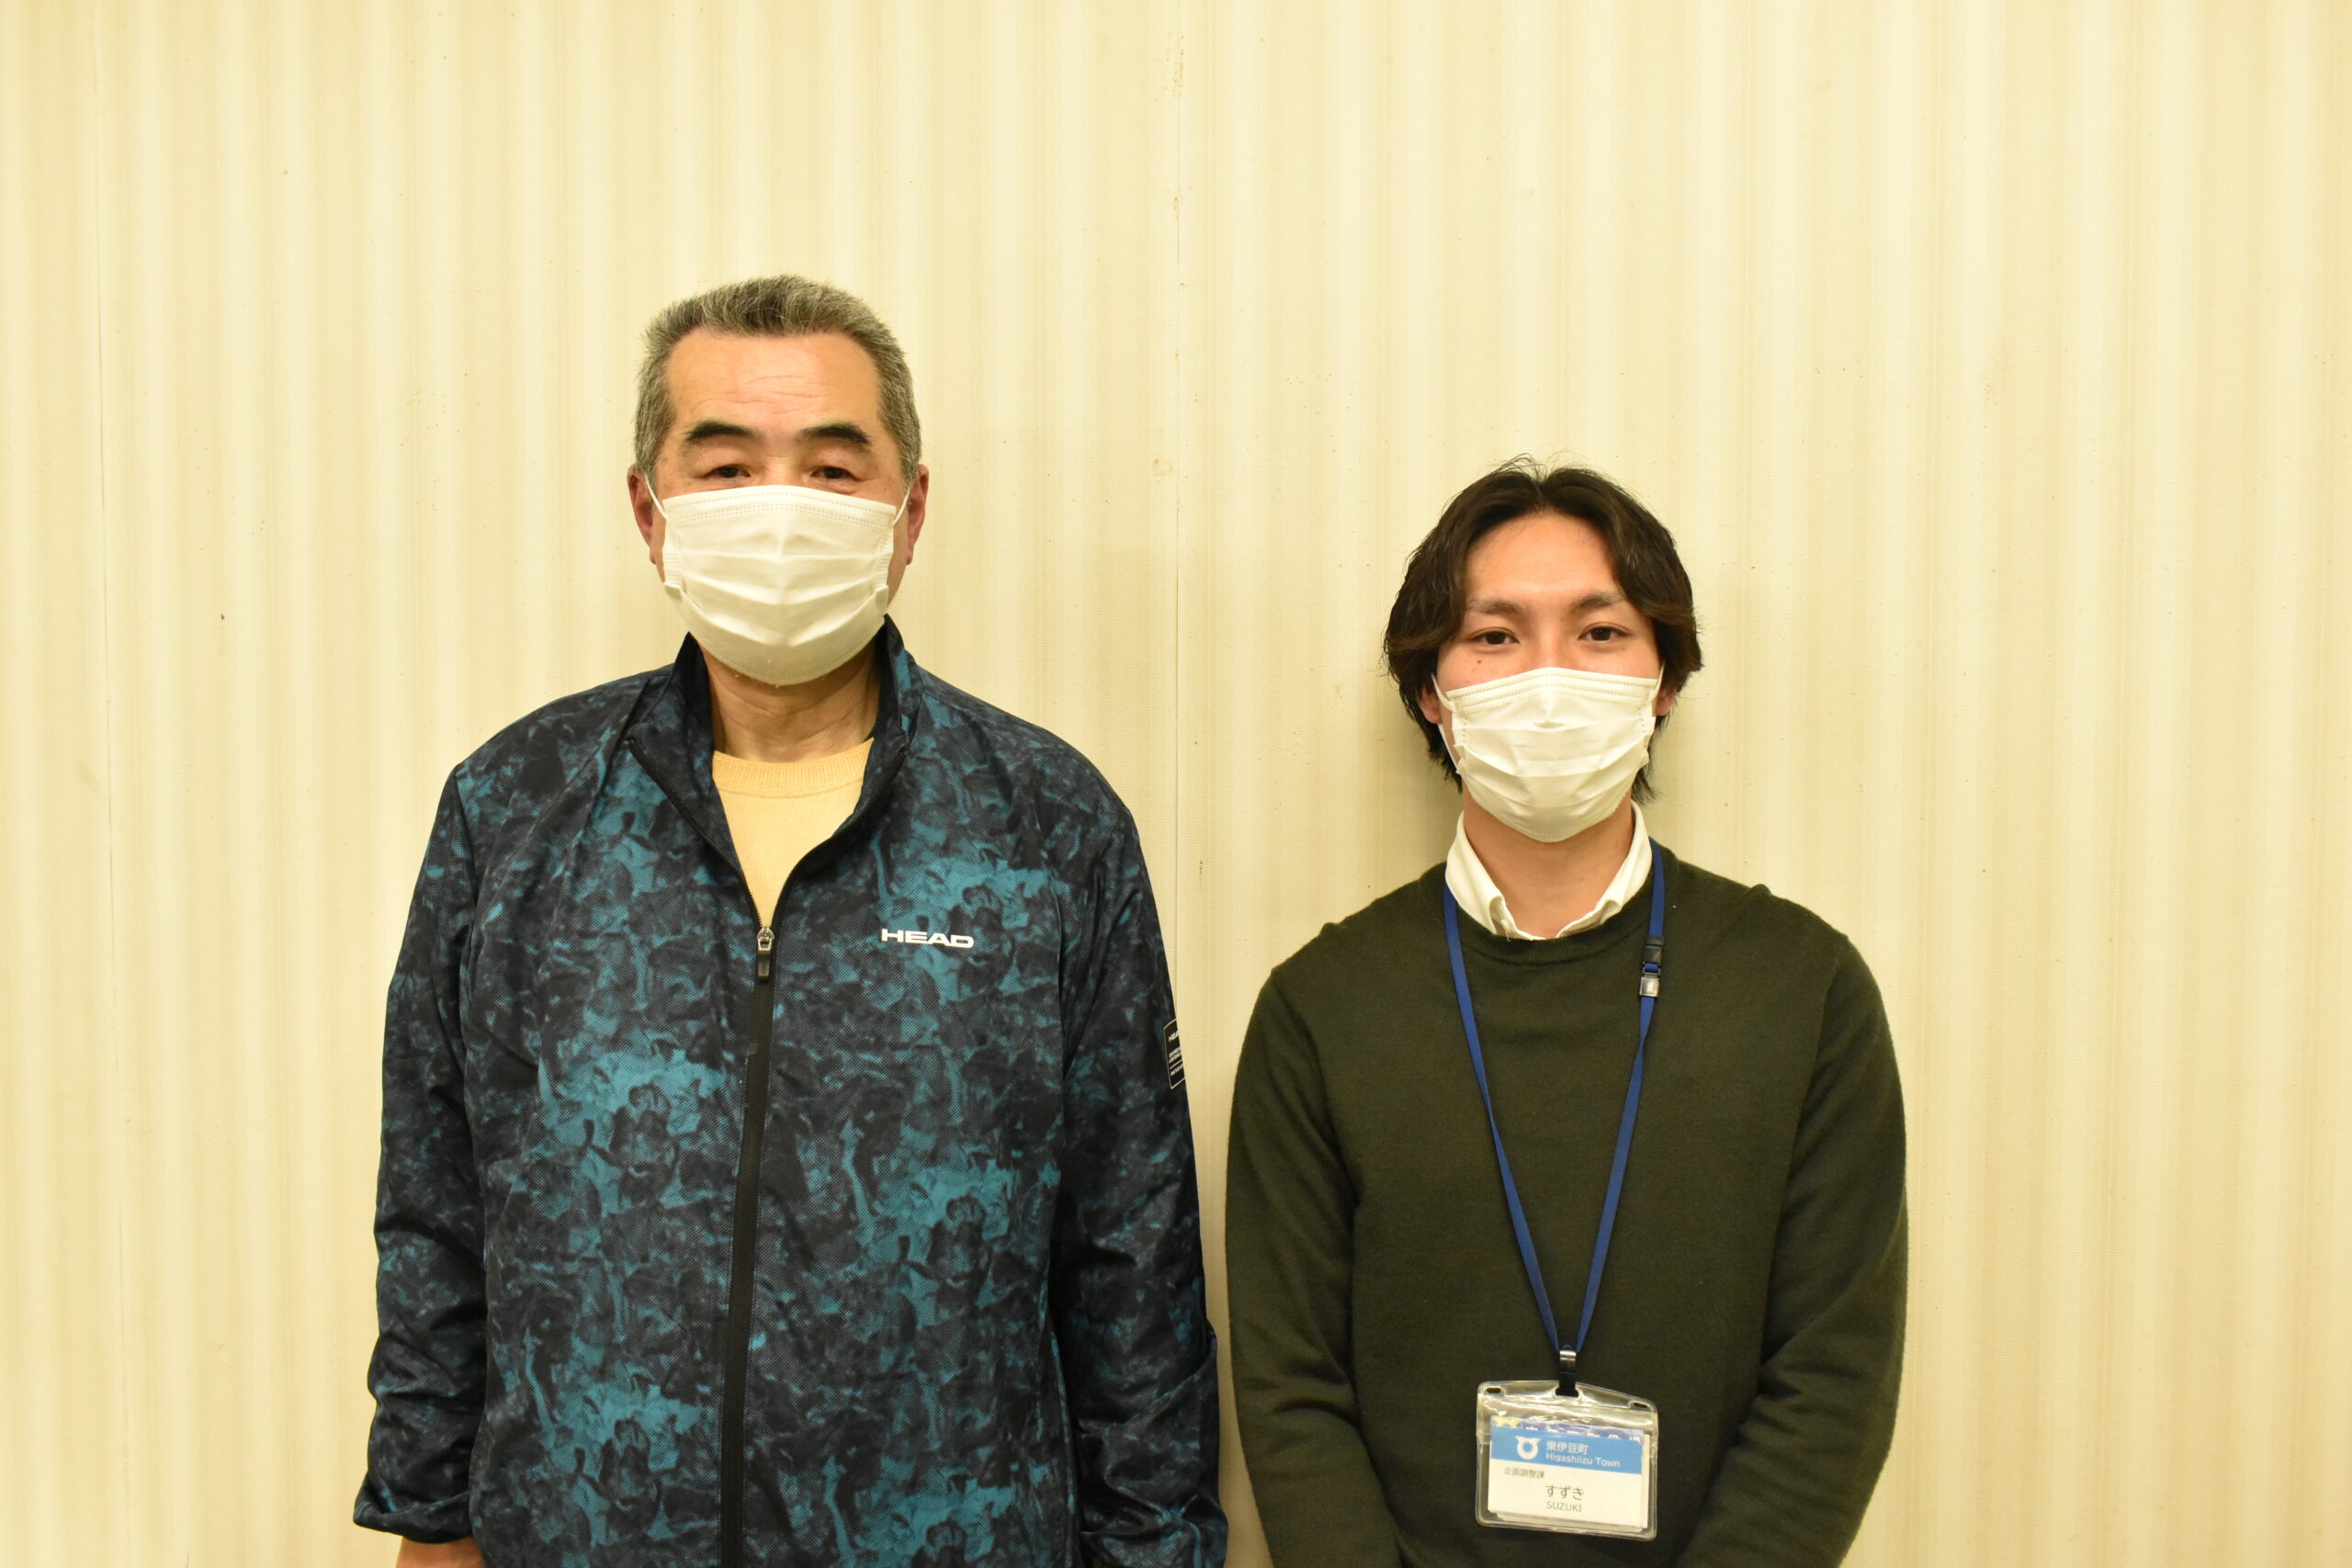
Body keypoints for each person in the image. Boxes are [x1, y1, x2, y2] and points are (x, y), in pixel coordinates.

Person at [356, 275, 1225, 1568]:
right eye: (726, 467)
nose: (778, 509)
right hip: (583, 1533)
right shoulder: (516, 807)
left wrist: (1156, 1546)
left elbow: (1131, 1255)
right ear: (649, 512)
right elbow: (435, 1208)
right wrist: (427, 1518)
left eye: (831, 467)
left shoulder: (1045, 826)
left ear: (908, 511)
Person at [1226, 460, 1905, 1565]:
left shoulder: (1804, 990)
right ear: (1430, 692)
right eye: (1495, 637)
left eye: (1599, 633)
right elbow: (1290, 1384)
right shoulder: (1321, 1007)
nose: (1548, 679)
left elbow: (1832, 1375)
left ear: (1664, 679)